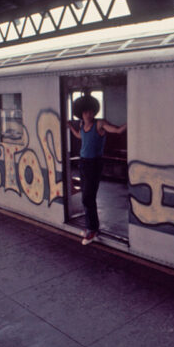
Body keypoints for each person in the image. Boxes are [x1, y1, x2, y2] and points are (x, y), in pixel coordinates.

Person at [67, 95, 126, 245]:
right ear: (81, 113)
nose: (89, 114)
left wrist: (129, 122)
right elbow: (80, 136)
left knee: (88, 196)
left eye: (91, 111)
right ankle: (90, 227)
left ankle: (92, 230)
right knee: (85, 197)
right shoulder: (82, 125)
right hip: (83, 163)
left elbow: (117, 131)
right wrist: (70, 127)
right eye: (86, 112)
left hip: (94, 164)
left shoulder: (100, 124)